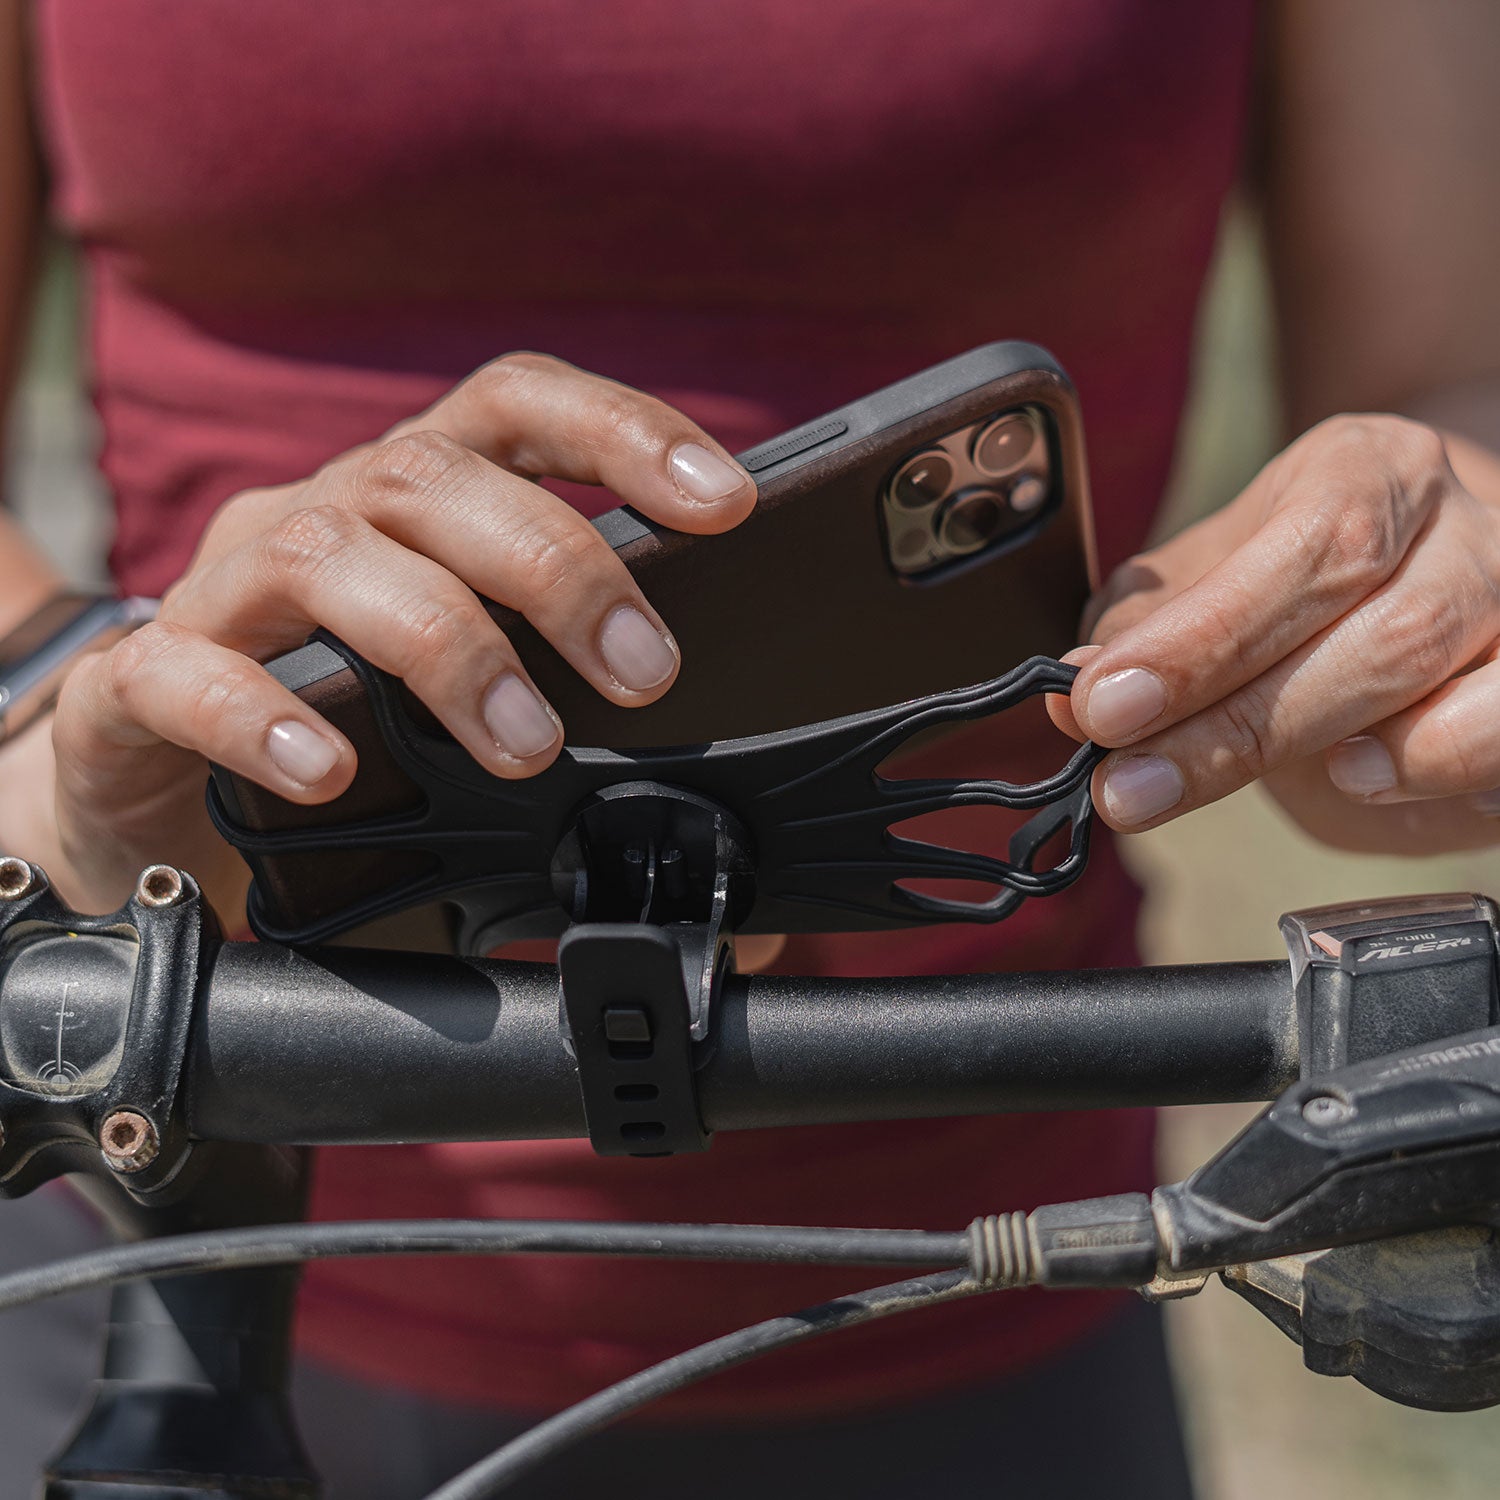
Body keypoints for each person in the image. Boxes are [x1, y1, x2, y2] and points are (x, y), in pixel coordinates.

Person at [0, 1, 1497, 1495]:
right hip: (171, 1250)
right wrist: (83, 714)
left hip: (975, 1286)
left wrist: (1437, 542)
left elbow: (1451, 369)